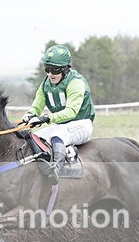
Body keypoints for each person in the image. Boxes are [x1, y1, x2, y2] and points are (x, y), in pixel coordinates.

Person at [21, 44, 95, 174]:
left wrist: (47, 118)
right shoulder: (45, 84)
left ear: (65, 69)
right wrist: (30, 114)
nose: (50, 74)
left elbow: (72, 111)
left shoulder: (75, 82)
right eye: (47, 69)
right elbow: (37, 106)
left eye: (54, 70)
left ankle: (57, 171)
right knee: (34, 137)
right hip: (61, 125)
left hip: (82, 124)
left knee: (57, 136)